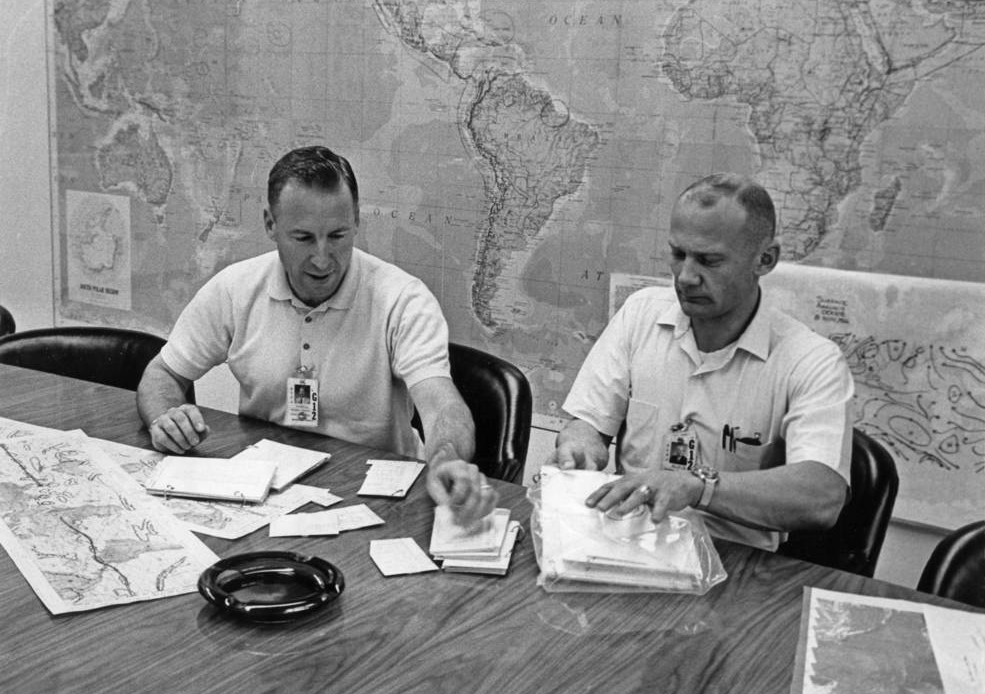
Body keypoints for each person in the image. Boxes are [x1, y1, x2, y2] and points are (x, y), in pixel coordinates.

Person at [137, 145, 496, 523]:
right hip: (265, 494)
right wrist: (165, 417)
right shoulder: (234, 289)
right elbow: (163, 374)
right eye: (304, 238)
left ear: (356, 220)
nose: (323, 259)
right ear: (270, 224)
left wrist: (447, 459)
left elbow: (442, 405)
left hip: (376, 501)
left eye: (338, 235)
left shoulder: (402, 299)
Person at [553, 173, 854, 551]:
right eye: (678, 254)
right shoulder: (641, 313)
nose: (686, 276)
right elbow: (588, 425)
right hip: (629, 545)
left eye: (709, 261)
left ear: (765, 259)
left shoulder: (812, 361)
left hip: (736, 564)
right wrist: (580, 445)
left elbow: (822, 496)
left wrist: (697, 488)